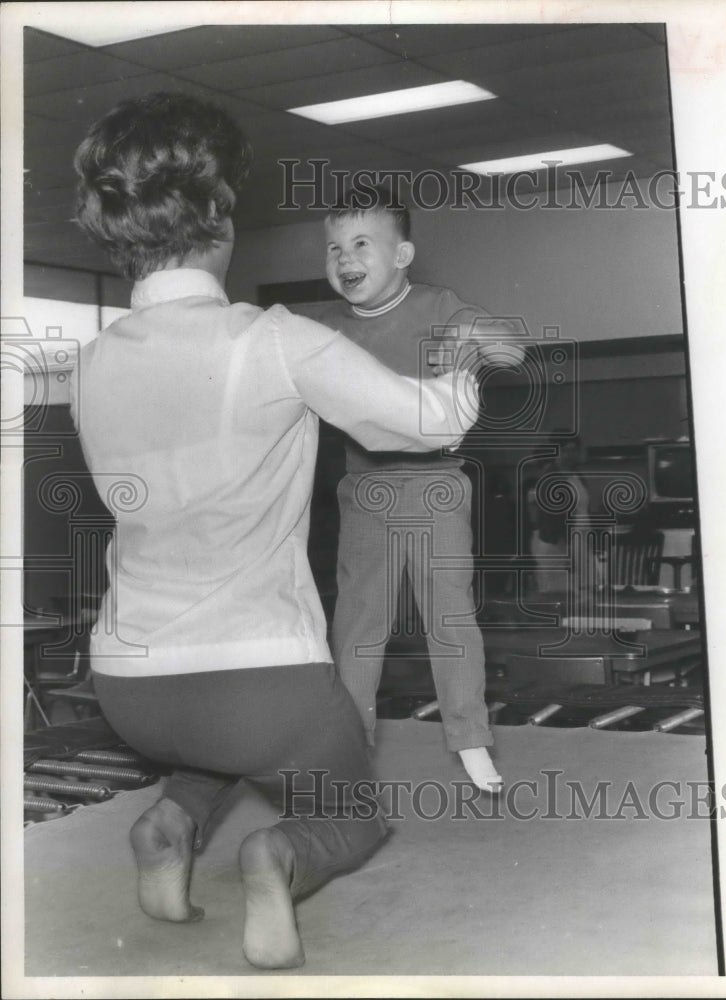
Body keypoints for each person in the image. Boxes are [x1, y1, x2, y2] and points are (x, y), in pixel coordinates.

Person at [70, 92, 475, 970]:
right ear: (218, 216)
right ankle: (277, 857)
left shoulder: (91, 360)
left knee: (211, 754)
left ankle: (170, 825)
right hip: (262, 681)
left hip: (129, 687)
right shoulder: (276, 340)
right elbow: (430, 423)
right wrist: (459, 349)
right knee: (350, 811)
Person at [319, 185, 524, 793]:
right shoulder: (325, 328)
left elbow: (512, 350)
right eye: (333, 248)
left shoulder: (437, 304)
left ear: (402, 255)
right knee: (357, 623)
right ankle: (350, 747)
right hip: (365, 490)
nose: (344, 258)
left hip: (436, 485)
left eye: (361, 244)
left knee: (449, 616)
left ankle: (470, 738)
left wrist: (476, 340)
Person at [525, 435, 592, 594]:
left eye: (575, 450)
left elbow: (583, 509)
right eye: (567, 450)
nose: (571, 454)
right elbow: (551, 519)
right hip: (559, 543)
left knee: (583, 589)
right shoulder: (550, 479)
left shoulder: (577, 477)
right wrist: (568, 550)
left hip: (580, 538)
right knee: (560, 592)